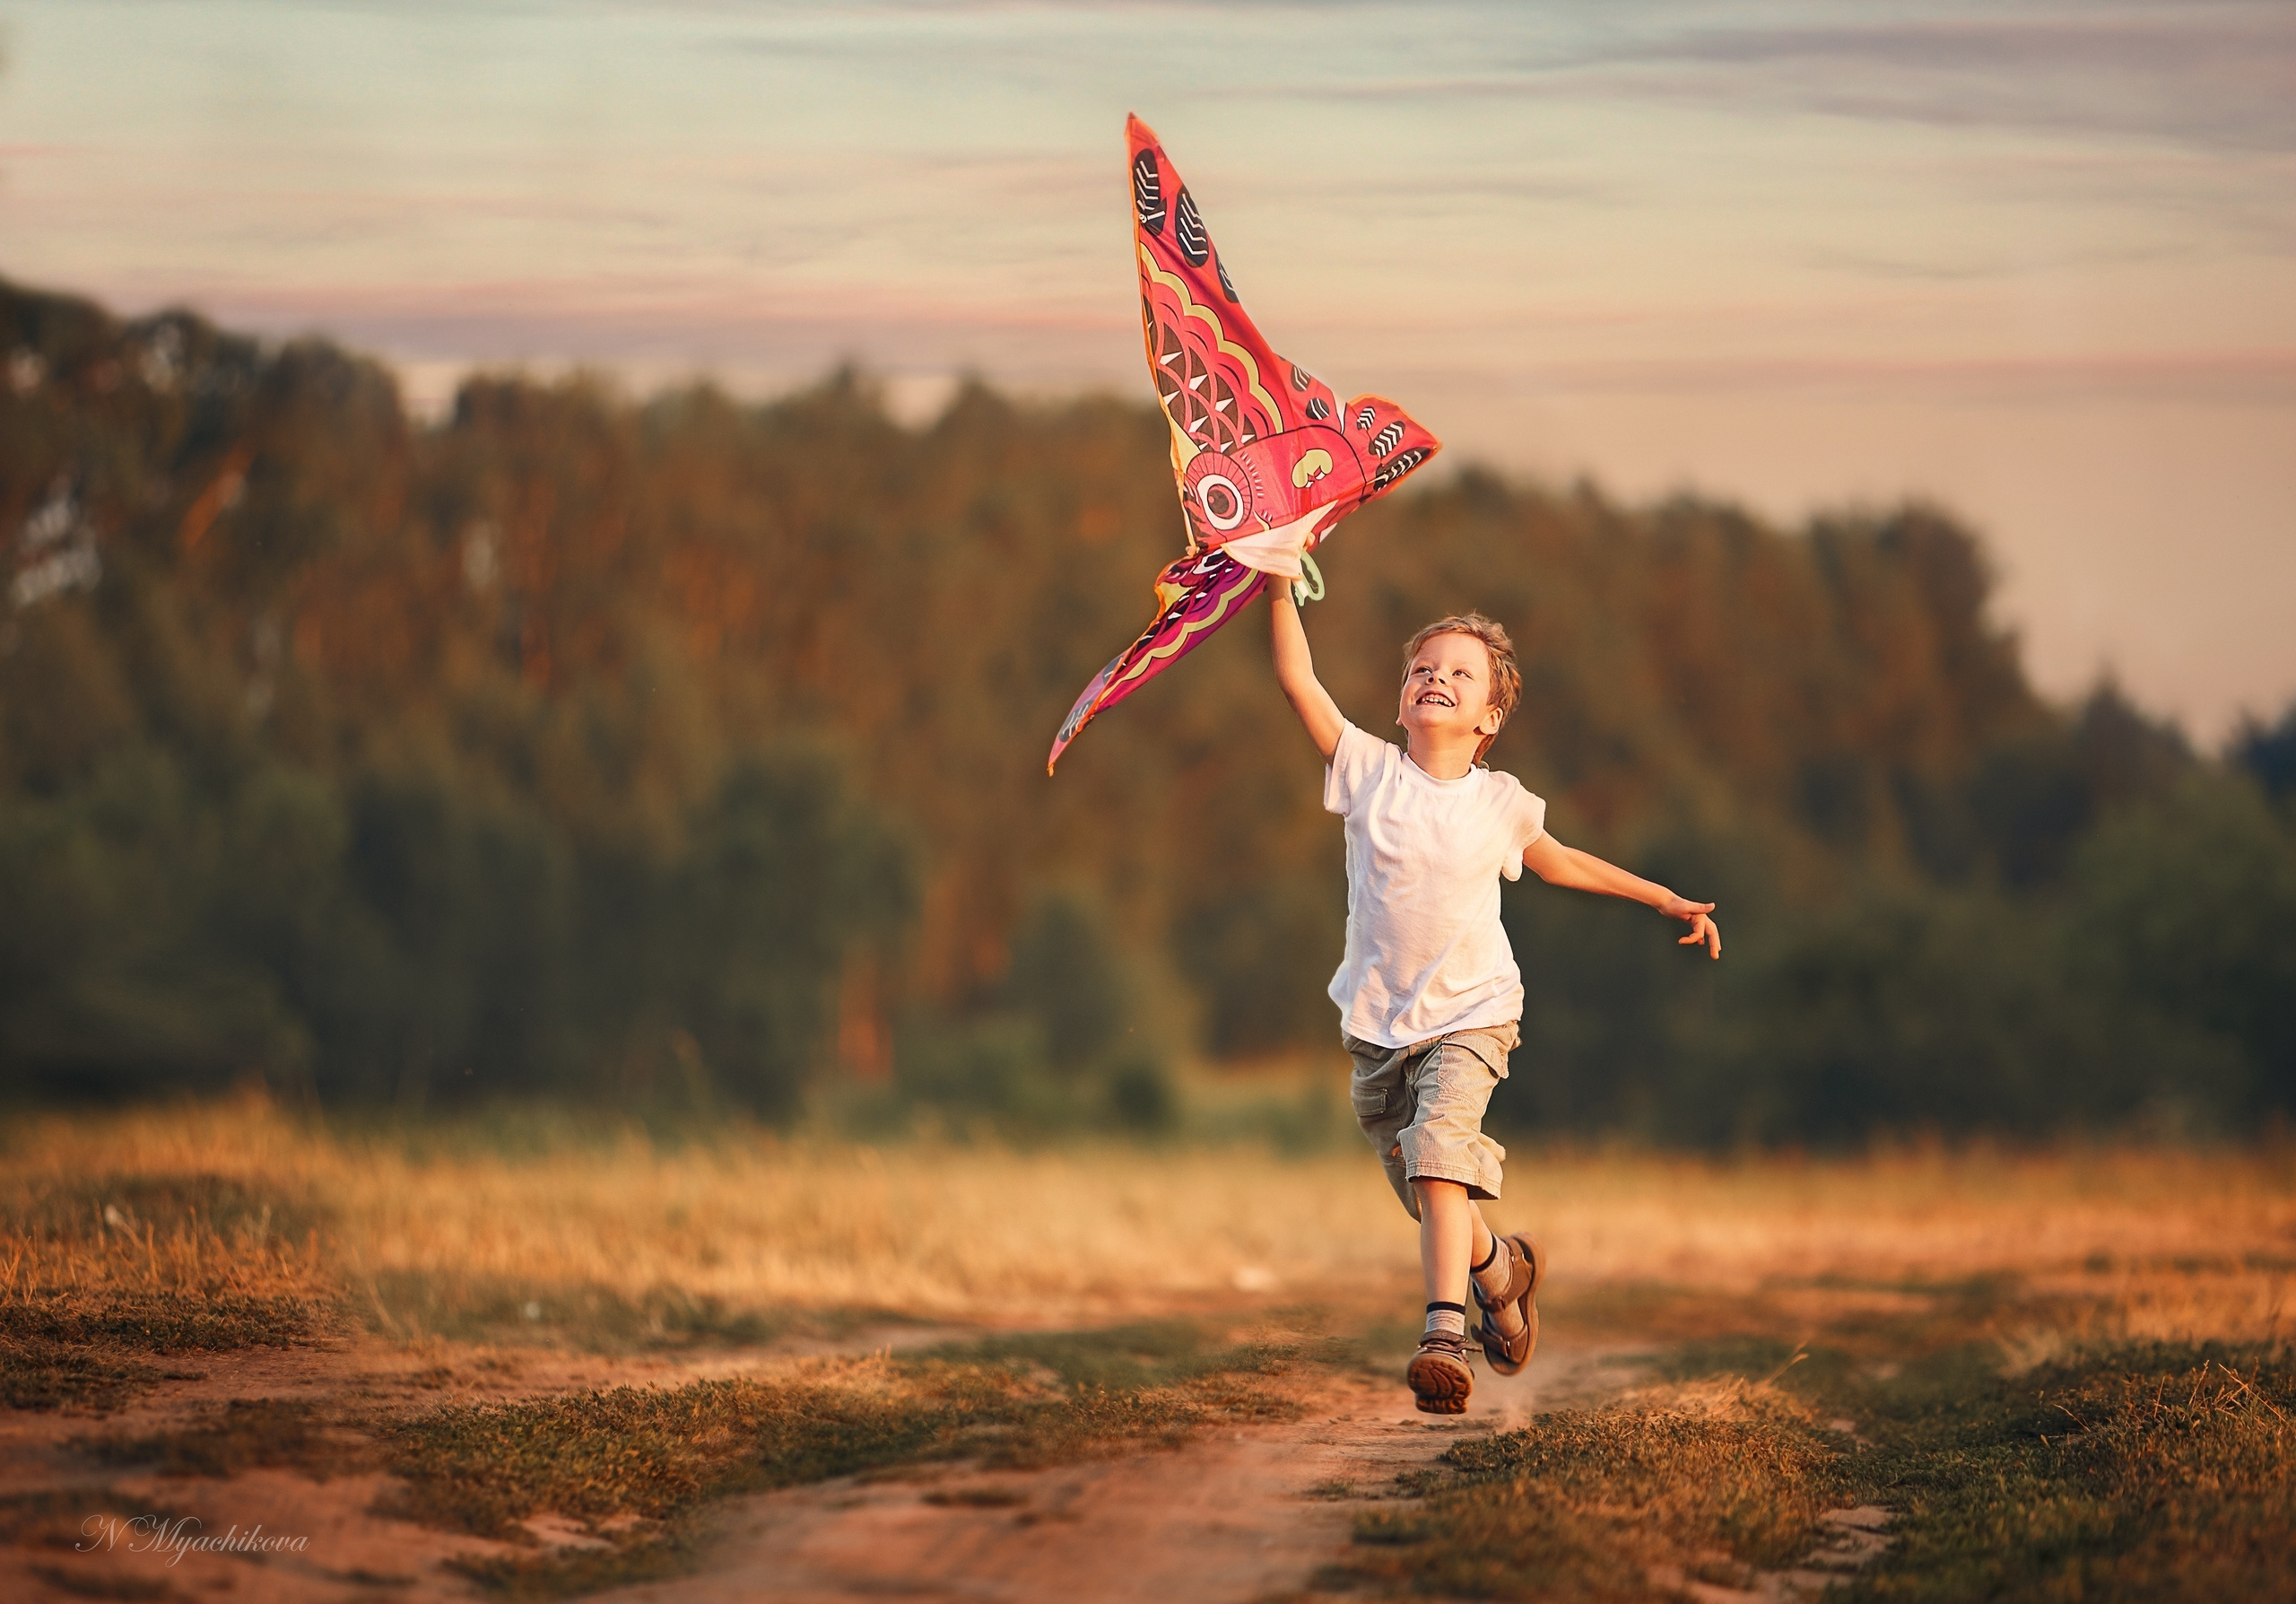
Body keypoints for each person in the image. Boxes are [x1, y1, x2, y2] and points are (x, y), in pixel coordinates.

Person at [1267, 585, 1721, 1415]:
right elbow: (1299, 677)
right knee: (1428, 1189)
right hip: (1377, 1027)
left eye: (1459, 673)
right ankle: (1499, 1269)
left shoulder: (1499, 801)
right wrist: (1272, 576)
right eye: (1420, 668)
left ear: (1489, 718)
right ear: (1402, 697)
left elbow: (1566, 864)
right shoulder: (1367, 771)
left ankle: (1444, 1334)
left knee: (1441, 1152)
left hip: (1474, 1014)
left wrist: (1664, 899)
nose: (1433, 678)